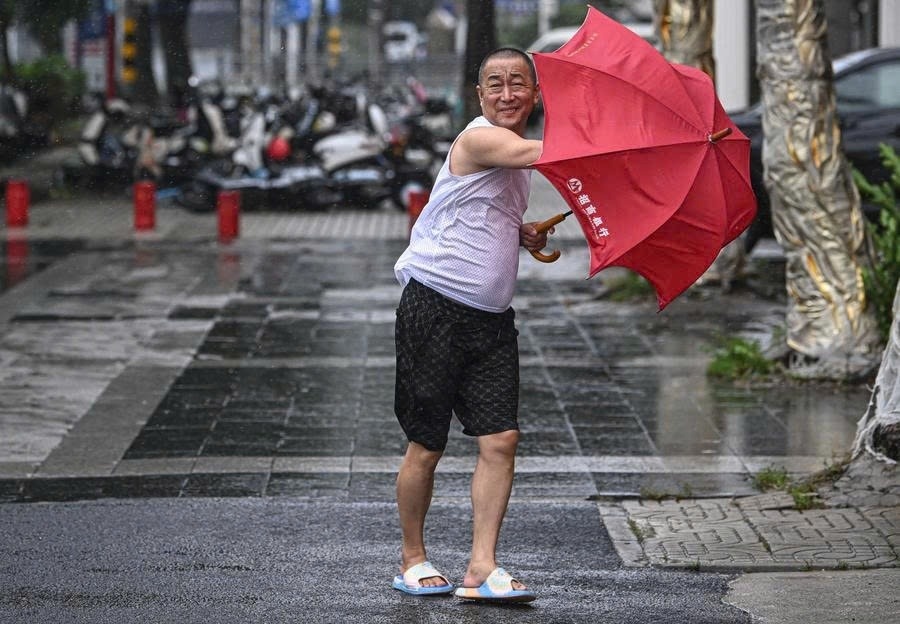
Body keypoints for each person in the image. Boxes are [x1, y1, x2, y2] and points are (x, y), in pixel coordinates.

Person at [390, 47, 549, 604]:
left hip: (490, 321)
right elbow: (533, 152)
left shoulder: (508, 157)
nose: (507, 94)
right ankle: (413, 558)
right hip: (433, 308)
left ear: (535, 93)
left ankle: (482, 568)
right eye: (495, 84)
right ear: (480, 96)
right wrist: (621, 143)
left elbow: (483, 209)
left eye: (518, 84)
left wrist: (521, 233)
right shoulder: (480, 138)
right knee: (426, 445)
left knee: (501, 438)